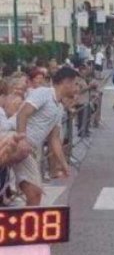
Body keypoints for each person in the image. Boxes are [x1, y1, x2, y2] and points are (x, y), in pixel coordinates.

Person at [14, 67, 79, 205]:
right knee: (34, 192)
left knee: (35, 193)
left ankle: (29, 225)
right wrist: (21, 140)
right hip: (14, 141)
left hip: (28, 151)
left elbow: (54, 139)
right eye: (75, 83)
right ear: (66, 82)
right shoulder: (44, 93)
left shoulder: (59, 108)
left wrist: (64, 164)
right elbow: (23, 114)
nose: (76, 88)